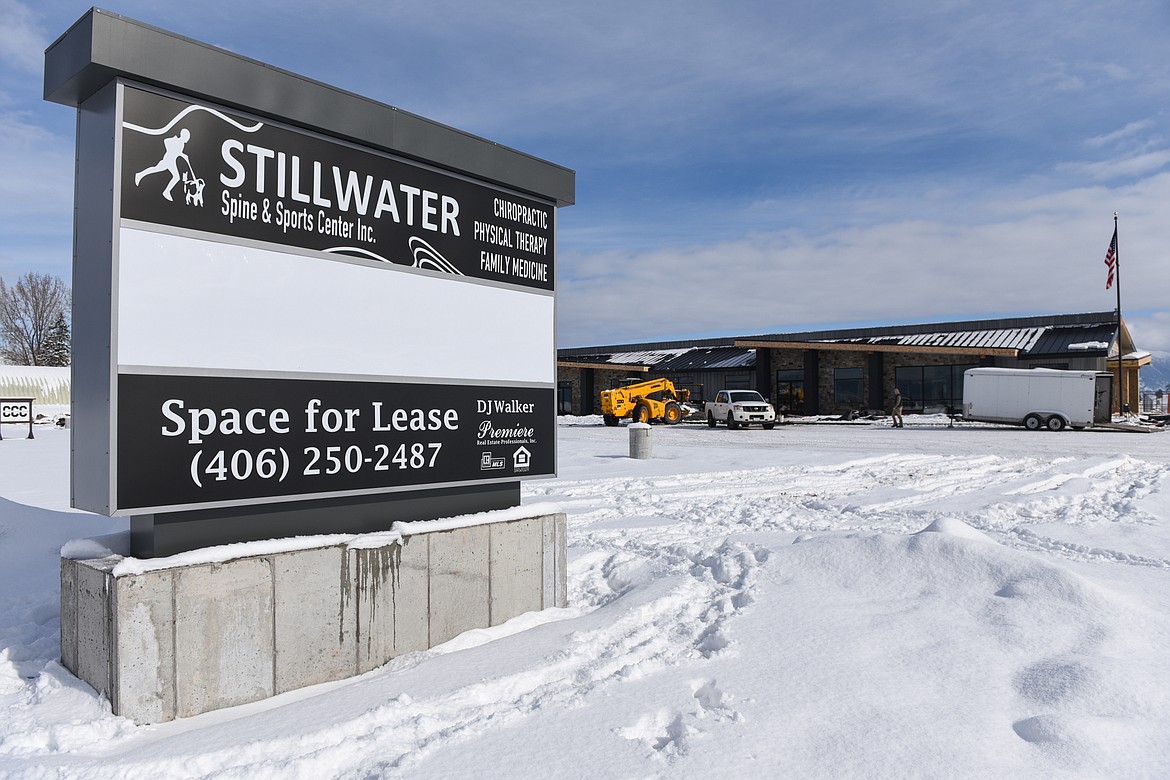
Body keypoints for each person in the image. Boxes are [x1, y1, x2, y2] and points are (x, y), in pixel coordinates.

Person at [134, 128, 193, 202]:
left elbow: (177, 152)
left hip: (172, 161)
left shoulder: (182, 144)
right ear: (183, 136)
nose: (187, 139)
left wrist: (183, 155)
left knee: (170, 175)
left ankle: (140, 175)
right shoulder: (175, 140)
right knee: (172, 175)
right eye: (187, 137)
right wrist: (171, 150)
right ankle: (140, 175)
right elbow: (166, 141)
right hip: (168, 160)